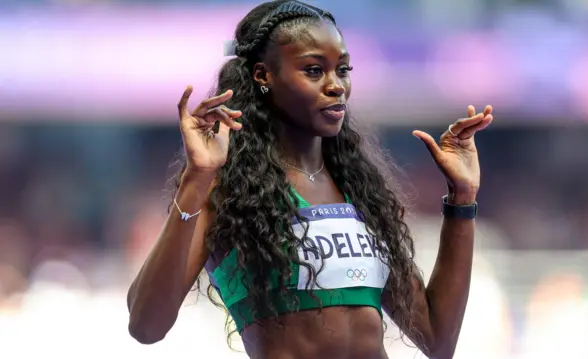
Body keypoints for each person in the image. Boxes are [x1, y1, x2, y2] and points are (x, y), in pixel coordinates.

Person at [126, 1, 493, 358]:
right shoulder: (227, 193)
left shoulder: (361, 194)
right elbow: (146, 327)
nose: (336, 86)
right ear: (263, 76)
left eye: (343, 70)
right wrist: (198, 177)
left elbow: (437, 340)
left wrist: (462, 199)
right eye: (314, 70)